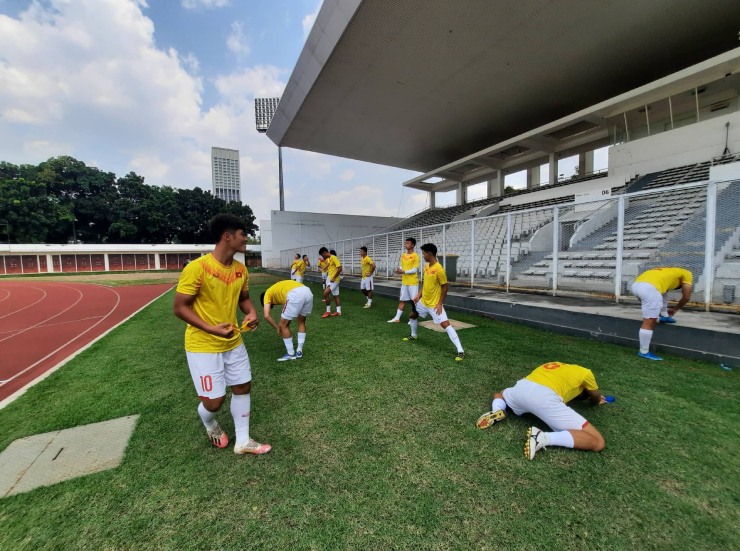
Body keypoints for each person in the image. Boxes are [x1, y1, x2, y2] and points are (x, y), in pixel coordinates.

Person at [173, 213, 271, 455]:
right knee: (214, 402)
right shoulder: (197, 268)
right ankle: (208, 422)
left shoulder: (240, 270)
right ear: (227, 237)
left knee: (242, 386)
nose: (246, 239)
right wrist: (210, 328)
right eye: (242, 234)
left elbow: (244, 299)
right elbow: (180, 307)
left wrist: (251, 313)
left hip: (234, 342)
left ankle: (243, 441)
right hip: (203, 345)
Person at [476, 361, 607, 460]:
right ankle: (544, 438)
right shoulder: (586, 373)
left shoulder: (553, 364)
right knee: (597, 442)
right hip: (545, 398)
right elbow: (595, 397)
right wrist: (596, 401)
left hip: (521, 388)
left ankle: (497, 409)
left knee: (500, 394)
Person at [404, 243, 465, 361]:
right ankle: (414, 335)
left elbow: (445, 287)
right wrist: (418, 295)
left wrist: (440, 303)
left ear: (429, 254)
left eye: (424, 253)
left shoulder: (439, 269)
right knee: (412, 315)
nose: (423, 256)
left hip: (434, 304)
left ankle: (460, 351)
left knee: (445, 324)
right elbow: (425, 284)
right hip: (423, 302)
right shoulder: (426, 267)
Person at [631, 267, 693, 361]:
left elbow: (664, 292)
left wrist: (664, 313)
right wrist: (675, 309)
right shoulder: (687, 274)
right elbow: (686, 297)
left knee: (656, 303)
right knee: (650, 321)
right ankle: (644, 352)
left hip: (636, 286)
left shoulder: (668, 272)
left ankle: (664, 316)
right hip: (649, 289)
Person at [260, 279, 313, 361]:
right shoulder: (276, 288)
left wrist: (277, 328)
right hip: (307, 291)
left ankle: (290, 353)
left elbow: (266, 315)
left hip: (295, 294)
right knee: (301, 321)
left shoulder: (267, 293)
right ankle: (299, 351)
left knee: (283, 326)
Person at [388, 237, 420, 323]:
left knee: (414, 302)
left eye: (408, 243)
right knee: (402, 300)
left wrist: (403, 271)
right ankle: (397, 318)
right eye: (405, 243)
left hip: (413, 282)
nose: (406, 245)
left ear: (412, 245)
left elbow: (414, 270)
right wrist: (399, 271)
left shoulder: (415, 256)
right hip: (404, 282)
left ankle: (412, 319)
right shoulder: (403, 255)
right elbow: (402, 267)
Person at [320, 246, 342, 317]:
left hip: (334, 280)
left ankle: (328, 311)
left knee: (325, 293)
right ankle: (338, 312)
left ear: (325, 253)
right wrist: (323, 269)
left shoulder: (334, 257)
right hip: (330, 279)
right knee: (336, 296)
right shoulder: (329, 258)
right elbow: (329, 265)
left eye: (322, 255)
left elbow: (340, 268)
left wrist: (334, 277)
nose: (322, 257)